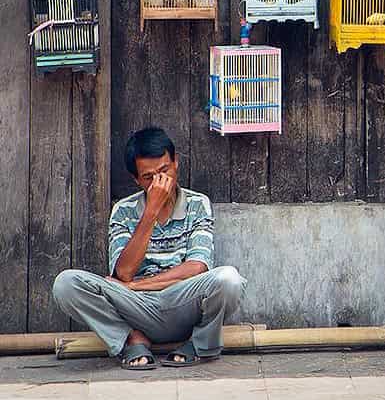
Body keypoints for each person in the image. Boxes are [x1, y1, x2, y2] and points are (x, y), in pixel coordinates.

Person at [52, 127, 247, 370]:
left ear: (176, 163)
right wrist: (151, 212)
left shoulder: (197, 204)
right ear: (136, 179)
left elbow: (196, 268)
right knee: (66, 283)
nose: (159, 182)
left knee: (228, 279)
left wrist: (136, 285)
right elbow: (123, 273)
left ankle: (197, 344)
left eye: (165, 171)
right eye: (148, 177)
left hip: (181, 301)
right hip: (136, 308)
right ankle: (130, 338)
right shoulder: (124, 210)